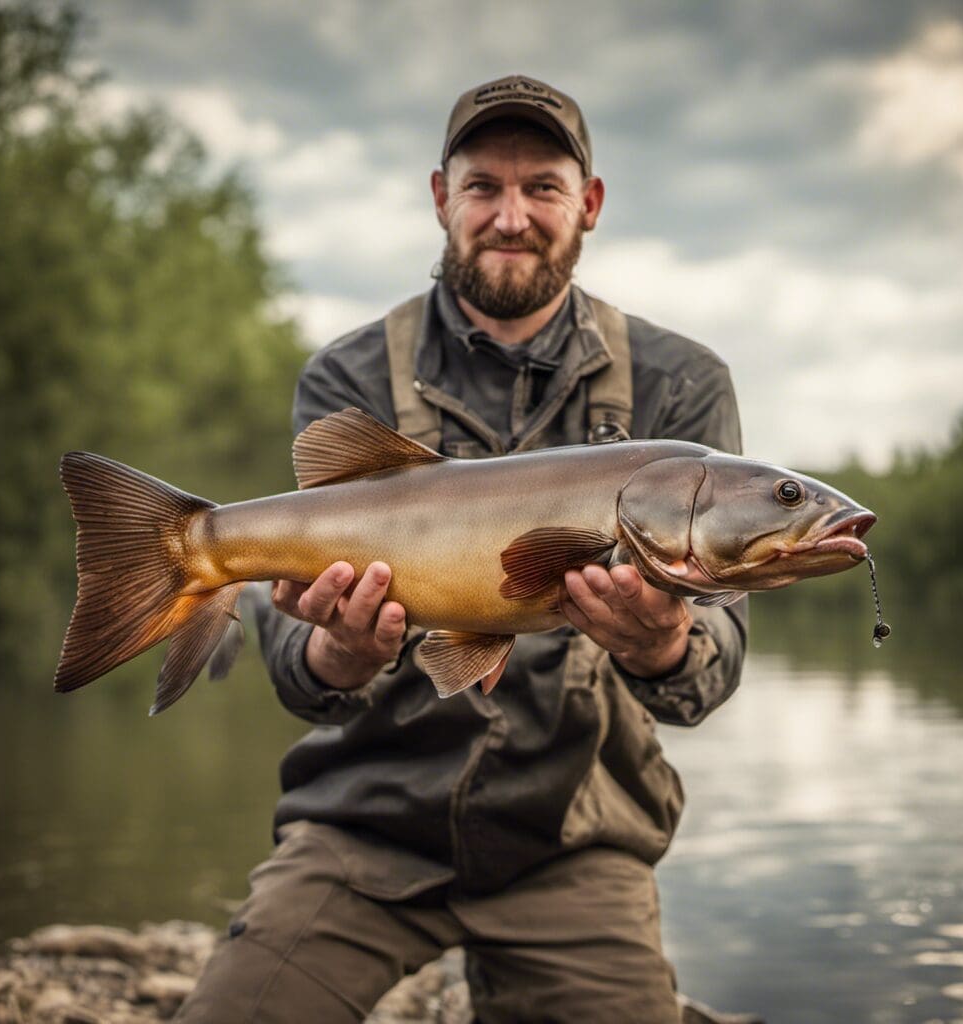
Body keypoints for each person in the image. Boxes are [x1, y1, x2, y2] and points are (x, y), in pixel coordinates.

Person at [176, 74, 749, 1024]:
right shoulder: (349, 373)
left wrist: (663, 646)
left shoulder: (681, 383)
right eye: (483, 186)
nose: (511, 216)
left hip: (574, 837)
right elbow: (295, 663)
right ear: (441, 198)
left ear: (590, 204)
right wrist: (333, 652)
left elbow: (717, 657)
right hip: (364, 825)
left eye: (544, 188)